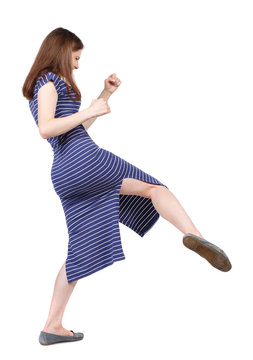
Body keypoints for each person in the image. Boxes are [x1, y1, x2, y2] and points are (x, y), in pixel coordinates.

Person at [22, 27, 232, 346]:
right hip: (84, 162)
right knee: (155, 189)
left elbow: (72, 129)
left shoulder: (45, 83)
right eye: (76, 57)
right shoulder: (49, 80)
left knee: (78, 249)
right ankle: (197, 238)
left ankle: (52, 325)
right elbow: (47, 129)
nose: (78, 65)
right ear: (62, 51)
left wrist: (103, 97)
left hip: (66, 172)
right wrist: (92, 108)